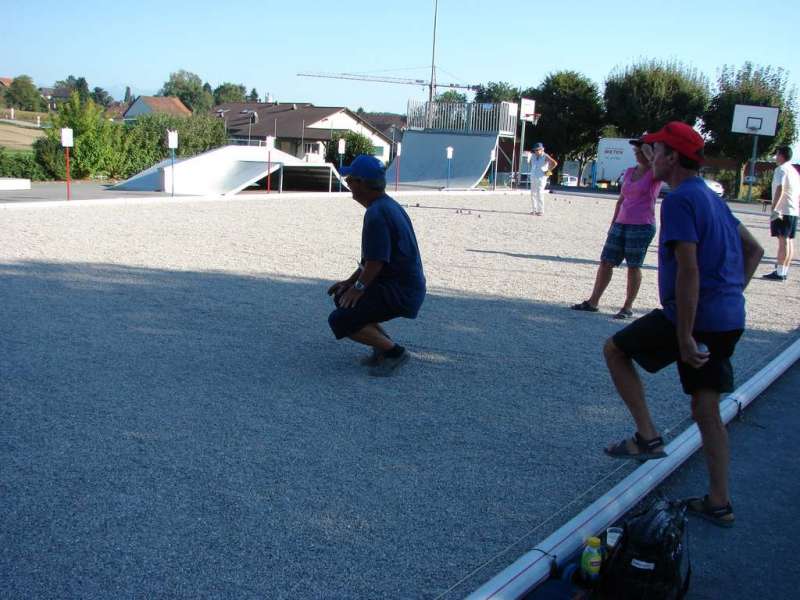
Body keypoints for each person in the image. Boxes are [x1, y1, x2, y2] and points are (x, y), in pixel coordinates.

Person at [601, 122, 764, 528]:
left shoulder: (678, 201)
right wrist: (730, 293)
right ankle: (719, 501)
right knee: (706, 407)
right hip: (728, 319)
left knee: (616, 350)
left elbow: (688, 269)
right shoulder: (711, 197)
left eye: (655, 151)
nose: (649, 157)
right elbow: (754, 249)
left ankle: (648, 437)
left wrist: (685, 334)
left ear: (672, 157)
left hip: (695, 319)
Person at [327, 155, 426, 377]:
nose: (348, 185)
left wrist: (358, 289)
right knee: (343, 297)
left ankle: (394, 353)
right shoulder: (387, 205)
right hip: (405, 286)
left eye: (349, 180)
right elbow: (370, 260)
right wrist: (349, 283)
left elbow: (376, 262)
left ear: (361, 183)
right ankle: (381, 347)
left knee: (340, 319)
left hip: (400, 291)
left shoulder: (376, 214)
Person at [571, 138, 662, 319]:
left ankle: (627, 307)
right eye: (636, 152)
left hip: (642, 224)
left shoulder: (654, 173)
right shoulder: (629, 172)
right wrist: (613, 223)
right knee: (606, 261)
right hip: (621, 223)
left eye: (641, 152)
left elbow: (661, 170)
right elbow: (621, 199)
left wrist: (651, 155)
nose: (637, 155)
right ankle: (593, 301)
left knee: (633, 266)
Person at [761, 145, 799, 281]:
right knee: (789, 241)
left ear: (782, 155)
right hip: (793, 210)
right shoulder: (794, 171)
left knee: (783, 241)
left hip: (782, 210)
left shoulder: (781, 169)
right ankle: (783, 270)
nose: (776, 157)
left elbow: (780, 188)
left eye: (777, 154)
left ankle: (779, 273)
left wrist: (774, 207)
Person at [528, 142, 557, 216]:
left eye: (538, 150)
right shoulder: (533, 156)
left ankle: (541, 210)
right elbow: (530, 163)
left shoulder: (545, 156)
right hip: (533, 176)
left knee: (540, 193)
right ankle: (534, 210)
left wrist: (548, 171)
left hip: (542, 177)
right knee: (533, 194)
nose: (536, 151)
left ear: (542, 149)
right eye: (535, 150)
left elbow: (554, 163)